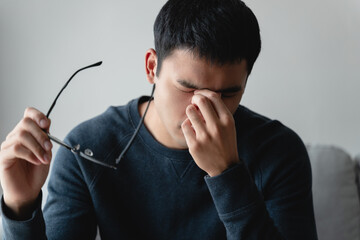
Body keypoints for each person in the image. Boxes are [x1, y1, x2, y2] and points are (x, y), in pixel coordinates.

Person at [0, 0, 318, 239]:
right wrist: (20, 207)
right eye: (188, 88)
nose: (203, 109)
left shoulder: (279, 152)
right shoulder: (89, 148)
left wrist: (227, 174)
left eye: (228, 94)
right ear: (152, 67)